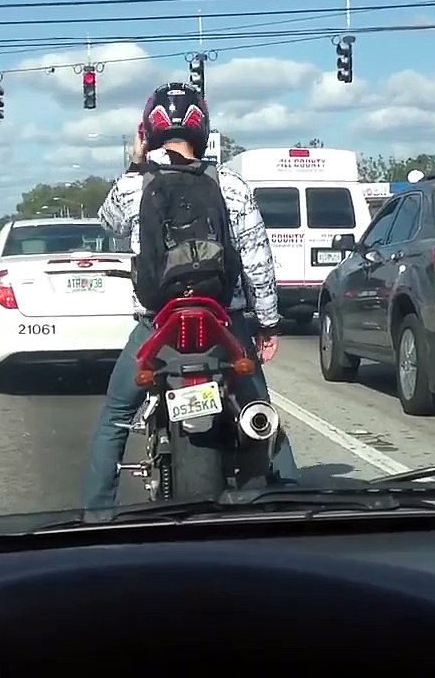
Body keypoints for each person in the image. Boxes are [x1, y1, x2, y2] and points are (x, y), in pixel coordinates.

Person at [79, 82, 299, 510]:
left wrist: (135, 160)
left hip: (157, 322)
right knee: (258, 407)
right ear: (203, 128)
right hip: (223, 319)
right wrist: (268, 322)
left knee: (117, 416)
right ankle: (293, 503)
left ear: (149, 130)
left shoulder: (133, 186)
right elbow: (257, 261)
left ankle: (97, 513)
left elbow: (109, 224)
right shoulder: (230, 184)